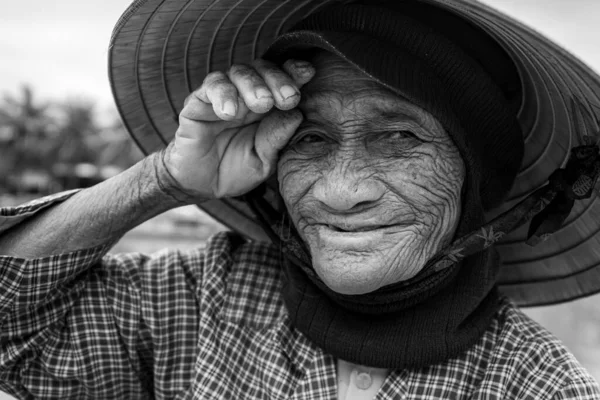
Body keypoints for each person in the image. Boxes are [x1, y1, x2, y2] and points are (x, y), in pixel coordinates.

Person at [1, 0, 600, 399]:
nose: (341, 191)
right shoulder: (206, 296)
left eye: (400, 137)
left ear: (475, 177)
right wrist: (165, 178)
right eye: (311, 138)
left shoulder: (537, 383)